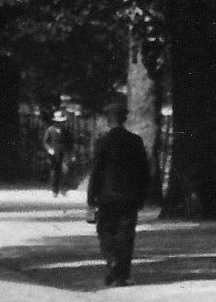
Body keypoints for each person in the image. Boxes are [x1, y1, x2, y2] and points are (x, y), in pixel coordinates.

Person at [85, 95, 154, 288]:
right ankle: (121, 273)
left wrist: (91, 198)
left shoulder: (103, 142)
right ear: (125, 118)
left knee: (106, 231)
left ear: (109, 119)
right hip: (130, 196)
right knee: (126, 233)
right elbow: (144, 171)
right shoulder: (135, 141)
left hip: (107, 196)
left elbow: (96, 171)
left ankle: (112, 262)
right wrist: (143, 195)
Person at [42, 113, 72, 197]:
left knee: (64, 171)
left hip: (63, 154)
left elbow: (70, 142)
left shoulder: (66, 131)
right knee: (54, 172)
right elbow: (45, 141)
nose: (60, 124)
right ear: (55, 122)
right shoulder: (50, 130)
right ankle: (54, 190)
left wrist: (69, 153)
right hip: (53, 155)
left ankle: (63, 189)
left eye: (61, 122)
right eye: (58, 122)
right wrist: (49, 149)